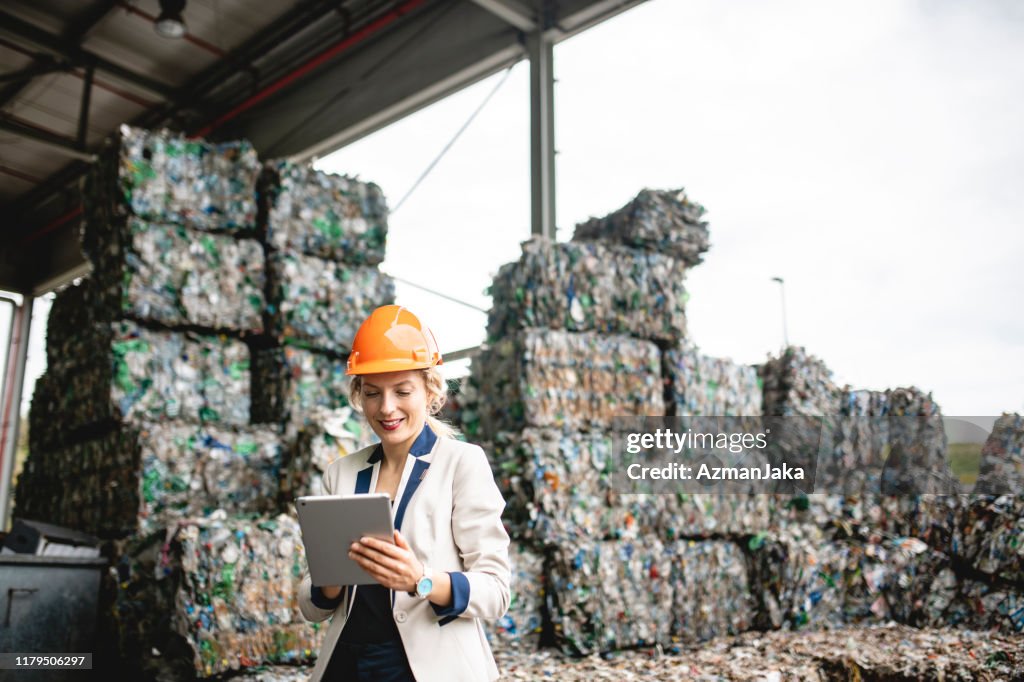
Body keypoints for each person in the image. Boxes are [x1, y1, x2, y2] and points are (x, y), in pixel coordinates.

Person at [298, 304, 511, 682]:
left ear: (430, 390)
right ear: (358, 395)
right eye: (372, 393)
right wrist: (327, 582)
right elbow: (312, 607)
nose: (387, 407)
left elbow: (495, 592)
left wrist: (421, 579)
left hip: (426, 669)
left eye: (402, 391)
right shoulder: (341, 473)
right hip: (347, 663)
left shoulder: (462, 464)